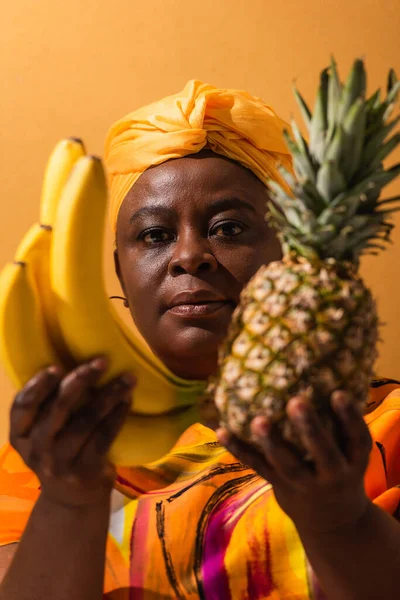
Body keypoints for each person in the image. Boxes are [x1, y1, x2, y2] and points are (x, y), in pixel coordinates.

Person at [0, 80, 400, 600]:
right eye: (155, 235)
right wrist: (70, 501)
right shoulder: (62, 447)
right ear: (121, 274)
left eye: (229, 229)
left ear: (293, 256)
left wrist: (339, 519)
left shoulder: (382, 427)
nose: (190, 255)